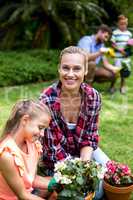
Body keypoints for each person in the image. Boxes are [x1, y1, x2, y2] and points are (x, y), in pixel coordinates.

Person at [39, 46, 110, 200]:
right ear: (59, 69)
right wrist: (74, 173)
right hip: (58, 157)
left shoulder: (93, 97)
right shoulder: (46, 100)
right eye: (66, 68)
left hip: (82, 149)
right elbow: (52, 148)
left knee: (108, 175)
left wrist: (84, 168)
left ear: (85, 70)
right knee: (92, 194)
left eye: (77, 69)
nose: (70, 74)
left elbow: (89, 138)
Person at [0, 99, 59, 200]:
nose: (42, 134)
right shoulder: (7, 155)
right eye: (40, 127)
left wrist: (58, 184)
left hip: (28, 192)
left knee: (57, 186)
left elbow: (31, 179)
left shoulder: (32, 144)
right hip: (15, 197)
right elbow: (23, 196)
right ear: (25, 120)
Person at [77, 24, 120, 93]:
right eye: (105, 37)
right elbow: (85, 58)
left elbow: (106, 63)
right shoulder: (86, 40)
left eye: (107, 38)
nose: (106, 40)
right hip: (79, 67)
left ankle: (87, 84)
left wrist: (115, 69)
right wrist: (100, 53)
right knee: (92, 64)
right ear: (100, 32)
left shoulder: (101, 45)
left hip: (92, 69)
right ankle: (87, 91)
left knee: (112, 74)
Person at [111, 15, 132, 94]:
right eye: (121, 24)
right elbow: (113, 44)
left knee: (124, 71)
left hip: (125, 57)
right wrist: (120, 50)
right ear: (118, 24)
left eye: (125, 24)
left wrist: (129, 50)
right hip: (117, 56)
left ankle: (122, 86)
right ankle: (112, 86)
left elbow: (129, 44)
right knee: (115, 72)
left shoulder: (129, 34)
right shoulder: (115, 32)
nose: (123, 25)